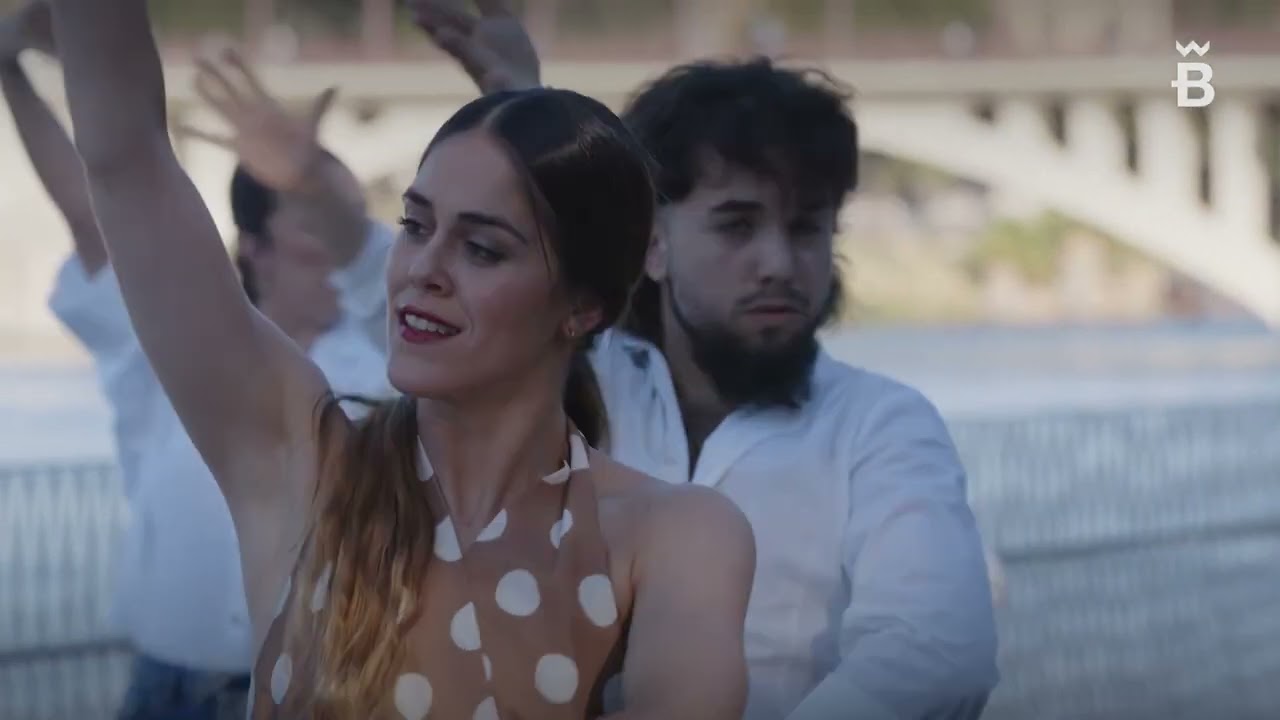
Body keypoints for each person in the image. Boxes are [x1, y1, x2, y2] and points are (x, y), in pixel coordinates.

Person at [48, 0, 756, 718]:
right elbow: (126, 159)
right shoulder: (306, 470)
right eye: (416, 226)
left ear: (584, 307)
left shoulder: (673, 536)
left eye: (482, 248)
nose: (423, 268)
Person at [411, 3, 999, 719]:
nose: (779, 263)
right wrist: (528, 106)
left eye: (807, 227)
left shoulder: (880, 427)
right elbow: (471, 300)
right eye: (738, 225)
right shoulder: (572, 389)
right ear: (651, 244)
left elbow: (935, 654)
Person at [1, 4, 390, 718]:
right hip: (168, 689)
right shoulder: (172, 336)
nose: (346, 245)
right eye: (318, 222)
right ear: (257, 246)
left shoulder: (391, 357)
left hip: (317, 690)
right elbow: (94, 208)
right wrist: (10, 72)